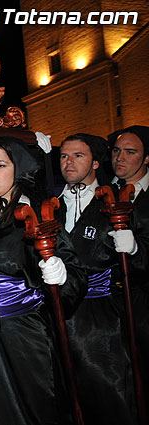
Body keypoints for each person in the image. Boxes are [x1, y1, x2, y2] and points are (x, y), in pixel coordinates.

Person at [0, 136, 86, 425]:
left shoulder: (35, 216)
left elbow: (75, 276)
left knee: (34, 411)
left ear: (18, 170)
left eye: (0, 165)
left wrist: (61, 274)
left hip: (23, 339)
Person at [58, 133, 136, 424]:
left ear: (94, 163)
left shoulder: (114, 204)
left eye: (78, 156)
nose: (69, 162)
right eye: (64, 156)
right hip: (57, 315)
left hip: (100, 320)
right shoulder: (50, 204)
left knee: (108, 391)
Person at [108, 125, 149, 411]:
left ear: (147, 158)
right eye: (116, 151)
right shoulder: (102, 191)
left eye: (130, 152)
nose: (120, 158)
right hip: (110, 306)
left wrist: (136, 249)